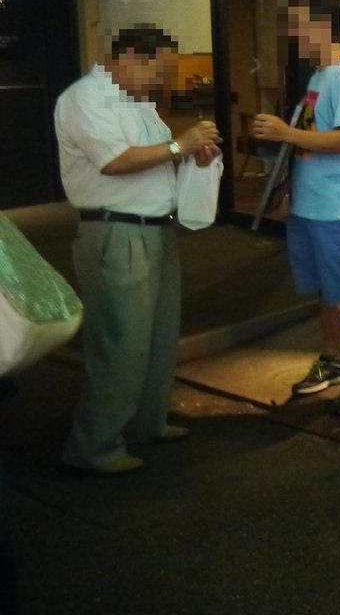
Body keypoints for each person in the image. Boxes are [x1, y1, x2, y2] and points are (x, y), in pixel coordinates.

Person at [54, 25, 223, 474]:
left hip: (154, 231)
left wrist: (192, 155)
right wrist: (179, 144)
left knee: (158, 339)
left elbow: (159, 159)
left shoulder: (137, 102)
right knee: (121, 343)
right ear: (129, 56)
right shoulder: (85, 97)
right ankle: (94, 446)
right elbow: (114, 162)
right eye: (158, 70)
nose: (161, 80)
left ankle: (147, 423)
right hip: (116, 231)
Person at [253, 0, 340, 415]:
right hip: (310, 206)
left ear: (323, 22)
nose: (292, 31)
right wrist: (289, 188)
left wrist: (285, 133)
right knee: (329, 290)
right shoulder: (321, 75)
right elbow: (311, 144)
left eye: (297, 21)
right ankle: (334, 361)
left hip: (336, 209)